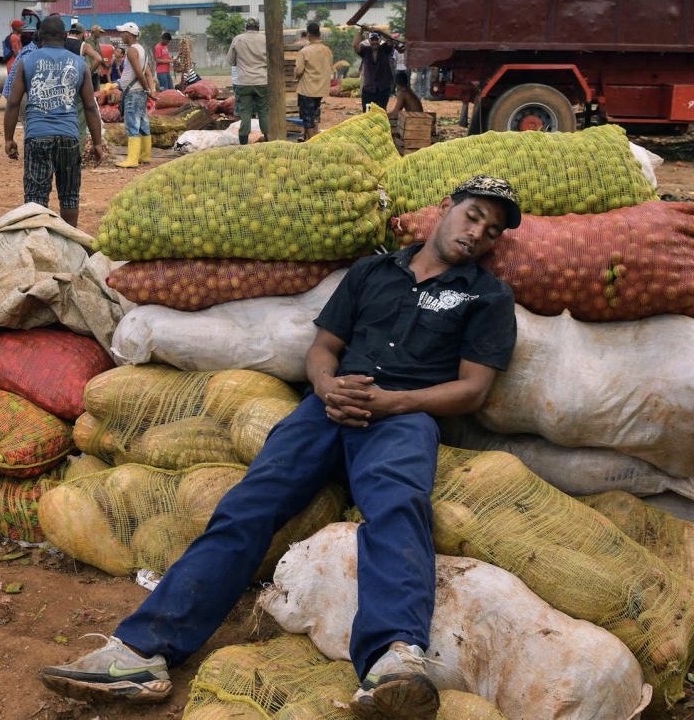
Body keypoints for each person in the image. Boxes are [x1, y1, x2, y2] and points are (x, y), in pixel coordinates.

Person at [40, 175, 524, 720]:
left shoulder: (486, 295)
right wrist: (325, 386)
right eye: (473, 215)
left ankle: (393, 660)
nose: (478, 232)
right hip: (328, 408)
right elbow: (324, 348)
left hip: (403, 417)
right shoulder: (371, 272)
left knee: (397, 507)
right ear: (445, 209)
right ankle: (141, 653)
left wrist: (390, 403)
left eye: (492, 230)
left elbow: (473, 389)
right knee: (249, 505)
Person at [4, 16, 106, 228]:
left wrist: (9, 139)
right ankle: (70, 241)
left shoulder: (26, 61)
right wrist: (97, 142)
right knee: (69, 195)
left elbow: (13, 103)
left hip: (37, 136)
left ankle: (37, 243)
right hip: (69, 137)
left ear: (40, 36)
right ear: (64, 36)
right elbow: (89, 106)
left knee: (36, 196)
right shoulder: (79, 64)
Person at [114, 22, 156, 169]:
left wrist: (146, 89)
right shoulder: (141, 49)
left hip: (134, 92)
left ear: (130, 34)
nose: (121, 35)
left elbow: (139, 73)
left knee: (132, 124)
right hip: (139, 92)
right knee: (143, 124)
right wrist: (149, 90)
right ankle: (145, 156)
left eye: (123, 32)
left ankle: (132, 159)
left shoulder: (132, 50)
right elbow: (148, 73)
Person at [226, 17, 268, 145]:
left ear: (246, 27)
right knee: (263, 111)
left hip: (243, 82)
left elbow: (230, 61)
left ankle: (244, 143)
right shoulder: (265, 39)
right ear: (258, 27)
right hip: (262, 81)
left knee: (245, 113)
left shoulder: (238, 39)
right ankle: (268, 139)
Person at [295, 21, 333, 140]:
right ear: (319, 34)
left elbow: (298, 71)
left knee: (308, 120)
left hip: (307, 90)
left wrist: (296, 74)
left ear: (309, 35)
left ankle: (313, 145)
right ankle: (310, 140)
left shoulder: (304, 51)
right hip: (321, 90)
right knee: (315, 117)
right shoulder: (327, 50)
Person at [353, 26, 397, 111]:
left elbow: (391, 39)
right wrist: (361, 31)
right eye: (372, 40)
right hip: (369, 88)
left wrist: (380, 31)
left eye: (376, 39)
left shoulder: (385, 49)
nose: (374, 42)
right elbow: (355, 45)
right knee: (367, 113)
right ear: (369, 40)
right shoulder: (365, 50)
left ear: (379, 40)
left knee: (381, 112)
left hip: (383, 88)